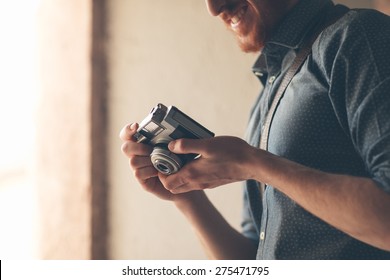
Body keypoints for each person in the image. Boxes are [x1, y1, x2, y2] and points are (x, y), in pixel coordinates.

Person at [120, 0, 390, 259]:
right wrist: (187, 197)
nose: (213, 8)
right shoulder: (266, 98)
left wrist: (253, 163)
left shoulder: (360, 37)